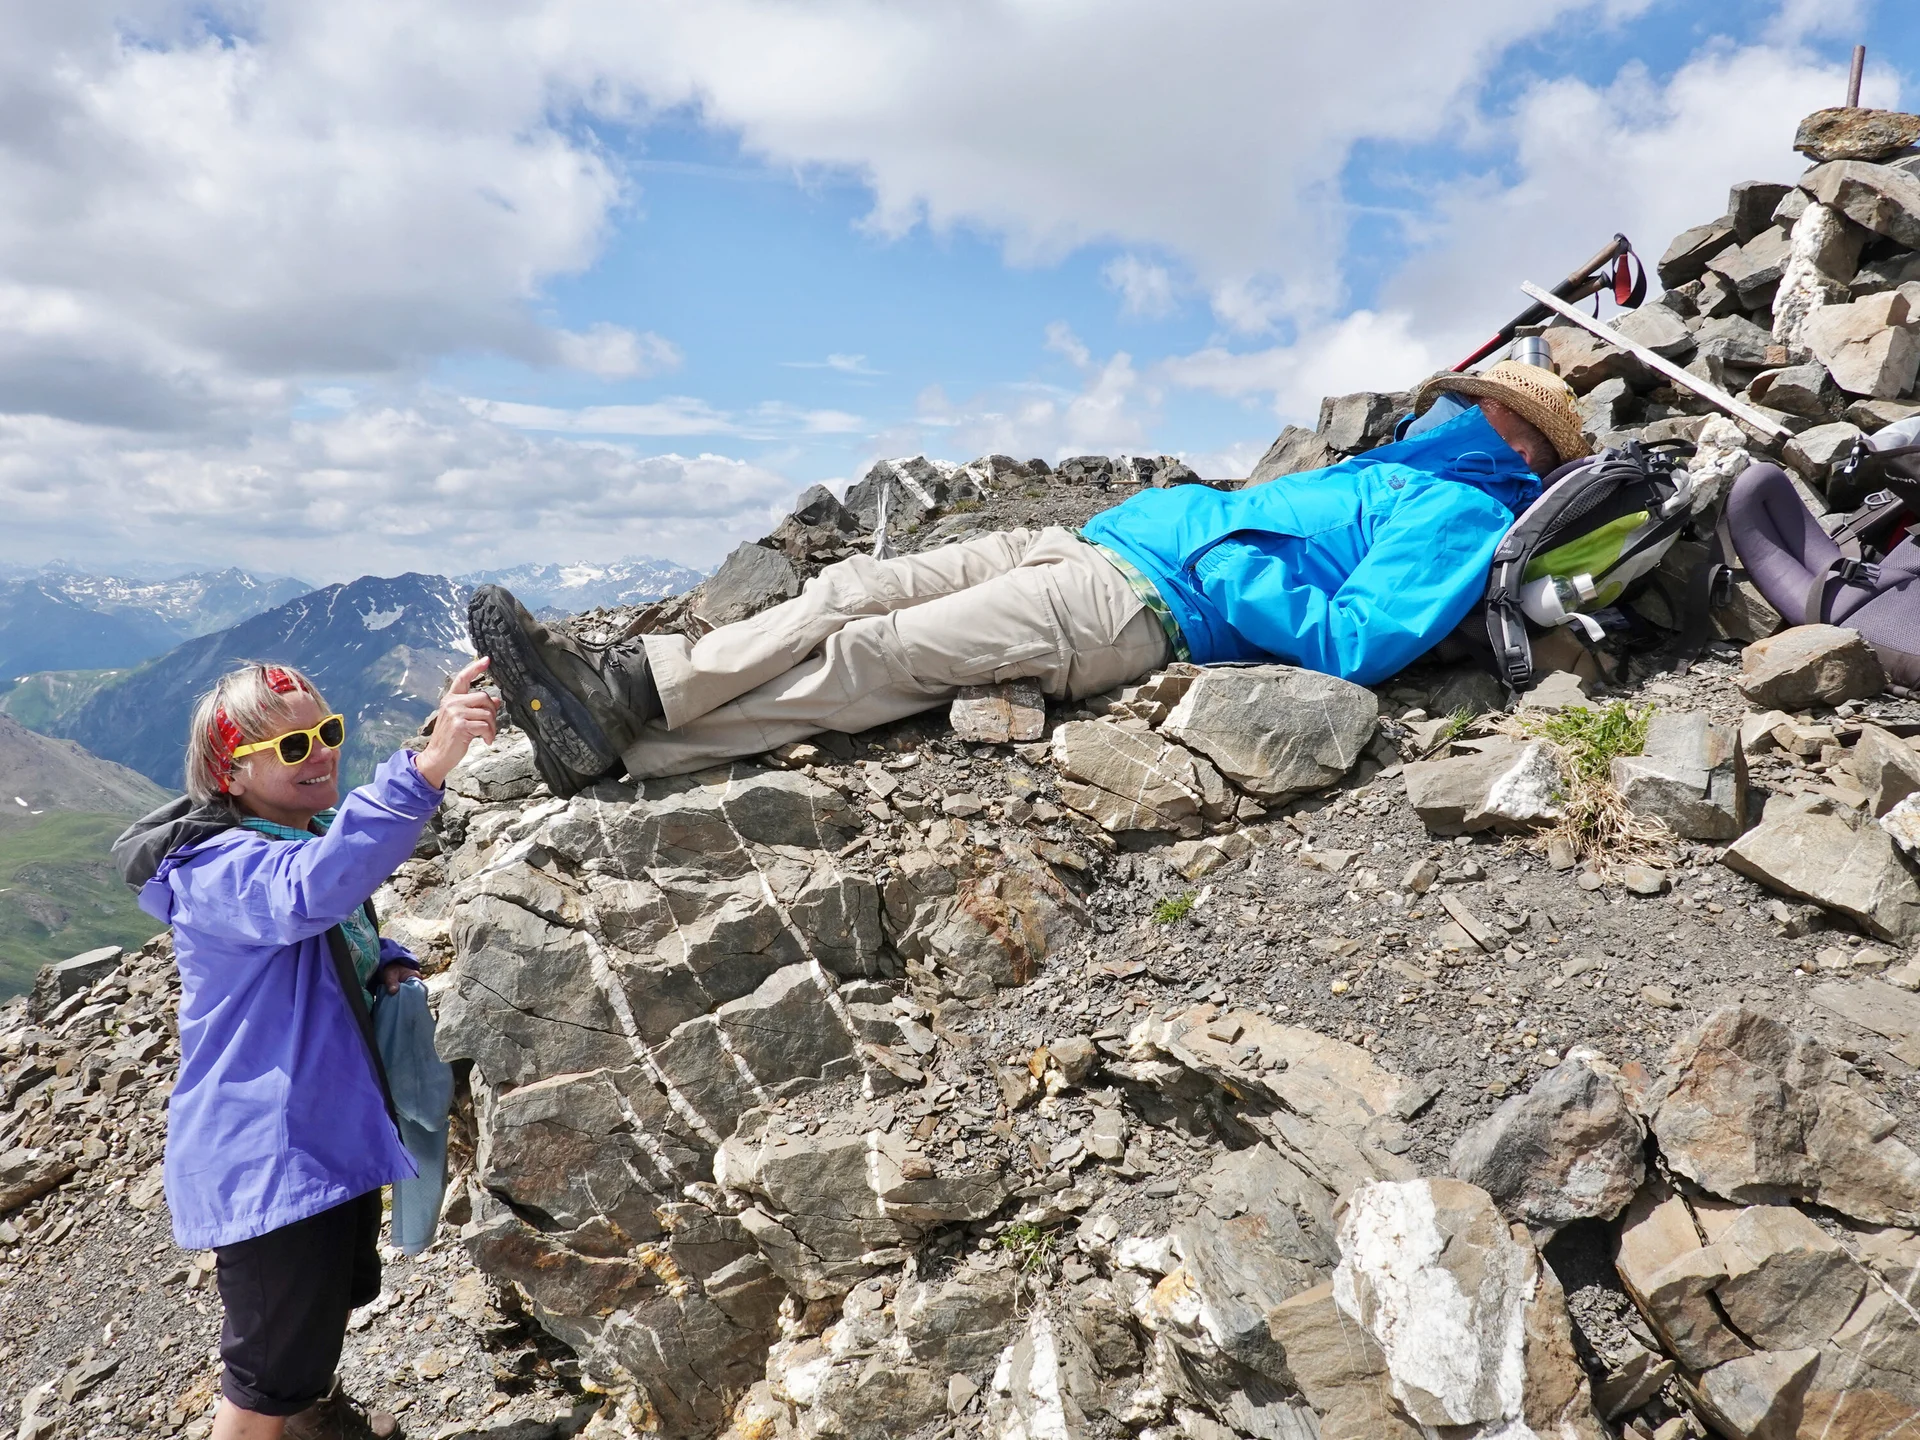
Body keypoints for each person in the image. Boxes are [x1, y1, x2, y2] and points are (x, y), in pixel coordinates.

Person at [468, 361, 1588, 798]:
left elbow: (1354, 642)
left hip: (1140, 606)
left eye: (1477, 403)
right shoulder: (1401, 470)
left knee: (872, 657)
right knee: (844, 589)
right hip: (1092, 547)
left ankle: (628, 749)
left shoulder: (1461, 509)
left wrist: (1216, 554)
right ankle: (631, 686)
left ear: (1518, 440)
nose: (1446, 405)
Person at [112, 659, 500, 1440]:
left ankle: (320, 1424)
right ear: (231, 771)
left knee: (318, 1318)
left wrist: (381, 957)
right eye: (291, 748)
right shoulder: (214, 869)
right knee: (262, 1379)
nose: (320, 754)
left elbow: (334, 910)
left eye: (325, 733)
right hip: (268, 1154)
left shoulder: (301, 827)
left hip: (322, 1137)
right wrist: (427, 769)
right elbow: (304, 894)